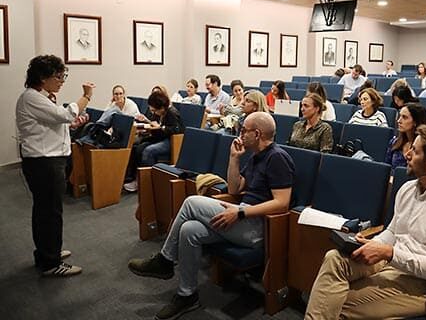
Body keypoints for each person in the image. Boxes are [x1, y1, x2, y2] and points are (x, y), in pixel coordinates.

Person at [128, 112, 294, 320]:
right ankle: (187, 294)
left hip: (258, 228)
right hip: (242, 218)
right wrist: (234, 158)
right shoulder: (255, 156)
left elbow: (282, 202)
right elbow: (234, 189)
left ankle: (165, 260)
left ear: (257, 134)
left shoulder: (277, 157)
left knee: (191, 202)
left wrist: (240, 212)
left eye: (244, 130)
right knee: (189, 230)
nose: (240, 133)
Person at [304, 125, 426, 319]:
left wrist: (388, 253)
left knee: (333, 303)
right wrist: (371, 244)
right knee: (334, 258)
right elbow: (393, 232)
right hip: (389, 263)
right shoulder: (408, 189)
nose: (407, 154)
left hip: (418, 284)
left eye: (415, 151)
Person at [16, 55, 95, 277]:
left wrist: (70, 125)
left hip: (47, 161)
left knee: (46, 211)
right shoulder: (32, 98)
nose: (61, 81)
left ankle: (47, 253)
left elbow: (52, 124)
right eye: (58, 77)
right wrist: (86, 96)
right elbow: (65, 113)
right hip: (44, 163)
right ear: (43, 78)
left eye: (63, 76)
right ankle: (51, 263)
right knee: (50, 212)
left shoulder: (41, 97)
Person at [124, 91, 184, 192]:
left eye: (154, 110)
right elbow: (156, 125)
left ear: (162, 108)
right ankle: (133, 177)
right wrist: (152, 126)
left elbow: (177, 130)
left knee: (149, 151)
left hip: (172, 141)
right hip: (161, 137)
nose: (153, 113)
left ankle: (147, 183)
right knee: (137, 147)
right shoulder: (159, 113)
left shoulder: (172, 113)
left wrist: (161, 127)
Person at [385, 103, 426, 169]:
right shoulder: (394, 142)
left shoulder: (425, 147)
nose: (399, 121)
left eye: (404, 117)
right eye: (399, 116)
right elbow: (386, 169)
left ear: (415, 122)